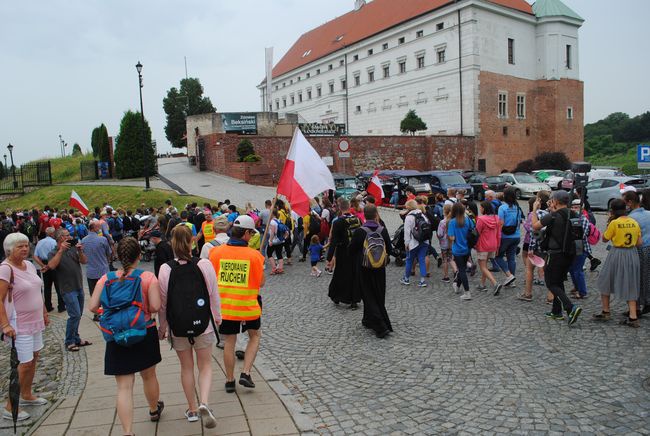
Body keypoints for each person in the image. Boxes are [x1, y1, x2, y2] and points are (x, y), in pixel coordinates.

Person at [89, 237, 164, 435]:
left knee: (124, 386)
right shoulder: (147, 277)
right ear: (139, 255)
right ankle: (154, 409)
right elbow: (156, 306)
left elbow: (92, 307)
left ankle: (128, 431)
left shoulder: (106, 279)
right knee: (149, 376)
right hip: (144, 330)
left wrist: (111, 312)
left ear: (117, 255)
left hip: (116, 335)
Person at [158, 225, 221, 427]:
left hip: (178, 327)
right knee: (205, 366)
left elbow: (163, 303)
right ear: (193, 241)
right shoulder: (204, 264)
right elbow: (213, 294)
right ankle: (204, 402)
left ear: (172, 244)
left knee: (186, 367)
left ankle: (192, 409)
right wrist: (217, 317)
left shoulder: (166, 269)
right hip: (204, 324)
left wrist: (163, 326)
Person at [209, 215, 265, 393]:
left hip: (226, 307)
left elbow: (211, 278)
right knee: (255, 336)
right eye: (251, 233)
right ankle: (246, 372)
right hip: (248, 307)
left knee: (229, 342)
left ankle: (229, 380)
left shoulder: (216, 253)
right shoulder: (255, 256)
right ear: (246, 233)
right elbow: (261, 283)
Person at [0, 233, 50, 422]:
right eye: (20, 246)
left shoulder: (29, 265)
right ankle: (10, 406)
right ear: (9, 249)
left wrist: (44, 311)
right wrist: (4, 325)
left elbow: (38, 290)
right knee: (24, 363)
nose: (24, 249)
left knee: (34, 357)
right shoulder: (5, 269)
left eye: (26, 245)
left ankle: (27, 394)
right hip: (18, 323)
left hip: (35, 320)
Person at [531, 190, 583, 325]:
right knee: (558, 281)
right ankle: (556, 311)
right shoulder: (574, 214)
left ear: (555, 201)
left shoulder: (553, 216)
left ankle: (571, 308)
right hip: (570, 253)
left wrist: (534, 210)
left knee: (551, 283)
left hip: (556, 254)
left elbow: (535, 226)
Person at [594, 199, 642, 327]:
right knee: (631, 283)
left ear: (612, 211)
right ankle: (633, 317)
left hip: (617, 253)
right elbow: (639, 243)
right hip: (632, 254)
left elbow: (604, 239)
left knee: (606, 280)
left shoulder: (614, 223)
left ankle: (606, 311)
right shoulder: (634, 222)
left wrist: (609, 222)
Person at [348, 204, 394, 338]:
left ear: (364, 215)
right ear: (376, 215)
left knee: (368, 295)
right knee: (379, 294)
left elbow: (351, 250)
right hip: (380, 267)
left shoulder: (360, 231)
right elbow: (389, 250)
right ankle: (368, 320)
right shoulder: (382, 230)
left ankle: (381, 326)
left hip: (364, 267)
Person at [47, 228, 92, 352]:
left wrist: (80, 251)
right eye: (67, 235)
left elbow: (84, 261)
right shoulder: (53, 252)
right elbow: (51, 266)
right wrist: (61, 250)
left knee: (78, 315)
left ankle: (76, 338)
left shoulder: (72, 249)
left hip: (78, 286)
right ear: (61, 238)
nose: (70, 237)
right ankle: (69, 341)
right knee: (74, 315)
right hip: (67, 289)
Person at [326, 199, 362, 308]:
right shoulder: (357, 219)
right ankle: (354, 300)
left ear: (339, 208)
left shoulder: (338, 222)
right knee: (354, 275)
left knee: (340, 275)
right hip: (355, 252)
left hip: (343, 252)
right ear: (349, 207)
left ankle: (337, 296)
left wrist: (329, 257)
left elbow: (334, 241)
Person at [519, 192, 550, 302]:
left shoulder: (536, 214)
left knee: (529, 269)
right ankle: (550, 297)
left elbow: (534, 232)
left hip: (536, 247)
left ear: (539, 201)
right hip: (547, 247)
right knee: (548, 271)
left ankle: (528, 294)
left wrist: (531, 249)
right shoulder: (550, 213)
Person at [81, 220, 112, 321]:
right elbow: (109, 252)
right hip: (103, 270)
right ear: (94, 228)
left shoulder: (83, 240)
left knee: (93, 294)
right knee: (106, 293)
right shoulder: (102, 239)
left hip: (91, 272)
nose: (99, 229)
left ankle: (96, 314)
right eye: (98, 227)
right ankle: (106, 312)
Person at [496, 187, 523, 288]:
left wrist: (497, 238)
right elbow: (519, 222)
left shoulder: (502, 208)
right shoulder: (518, 208)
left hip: (505, 237)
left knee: (498, 257)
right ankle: (512, 281)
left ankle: (509, 275)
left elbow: (500, 224)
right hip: (516, 236)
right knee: (511, 258)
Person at [33, 227, 64, 312]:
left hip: (44, 263)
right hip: (54, 263)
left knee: (47, 287)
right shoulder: (54, 242)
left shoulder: (40, 242)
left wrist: (43, 265)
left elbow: (35, 256)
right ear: (52, 234)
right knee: (58, 286)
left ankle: (48, 306)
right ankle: (61, 306)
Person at [448, 203, 474, 300]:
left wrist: (455, 237)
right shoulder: (468, 220)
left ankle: (467, 292)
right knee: (462, 268)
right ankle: (457, 286)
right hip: (467, 249)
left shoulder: (452, 222)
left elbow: (451, 237)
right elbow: (473, 230)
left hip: (457, 250)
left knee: (461, 270)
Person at [400, 200, 429, 287]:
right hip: (424, 241)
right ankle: (422, 281)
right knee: (422, 260)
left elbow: (407, 232)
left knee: (409, 260)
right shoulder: (423, 215)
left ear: (408, 207)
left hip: (413, 242)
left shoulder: (408, 217)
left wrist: (406, 243)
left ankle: (406, 279)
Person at [475, 201, 502, 295]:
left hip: (483, 245)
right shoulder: (497, 218)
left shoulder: (481, 219)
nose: (480, 209)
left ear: (484, 208)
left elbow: (477, 233)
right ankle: (482, 284)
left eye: (481, 207)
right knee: (485, 265)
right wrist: (498, 246)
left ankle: (495, 283)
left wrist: (474, 244)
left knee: (482, 266)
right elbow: (499, 234)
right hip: (493, 244)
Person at [568, 199, 592, 300]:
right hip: (573, 248)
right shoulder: (570, 218)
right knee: (572, 269)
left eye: (576, 207)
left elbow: (582, 235)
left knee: (577, 270)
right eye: (573, 207)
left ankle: (582, 292)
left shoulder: (583, 219)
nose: (574, 209)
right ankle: (577, 287)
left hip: (581, 248)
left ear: (582, 209)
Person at [437, 204, 455, 283]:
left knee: (445, 260)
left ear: (444, 211)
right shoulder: (453, 220)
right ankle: (456, 271)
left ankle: (446, 276)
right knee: (451, 258)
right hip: (452, 243)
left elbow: (440, 234)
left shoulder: (442, 222)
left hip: (444, 243)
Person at [266, 209, 286, 274]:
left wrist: (270, 241)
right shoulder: (279, 220)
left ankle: (274, 268)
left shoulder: (272, 222)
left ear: (272, 214)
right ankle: (280, 268)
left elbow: (272, 233)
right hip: (280, 240)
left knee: (269, 253)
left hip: (274, 240)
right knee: (279, 254)